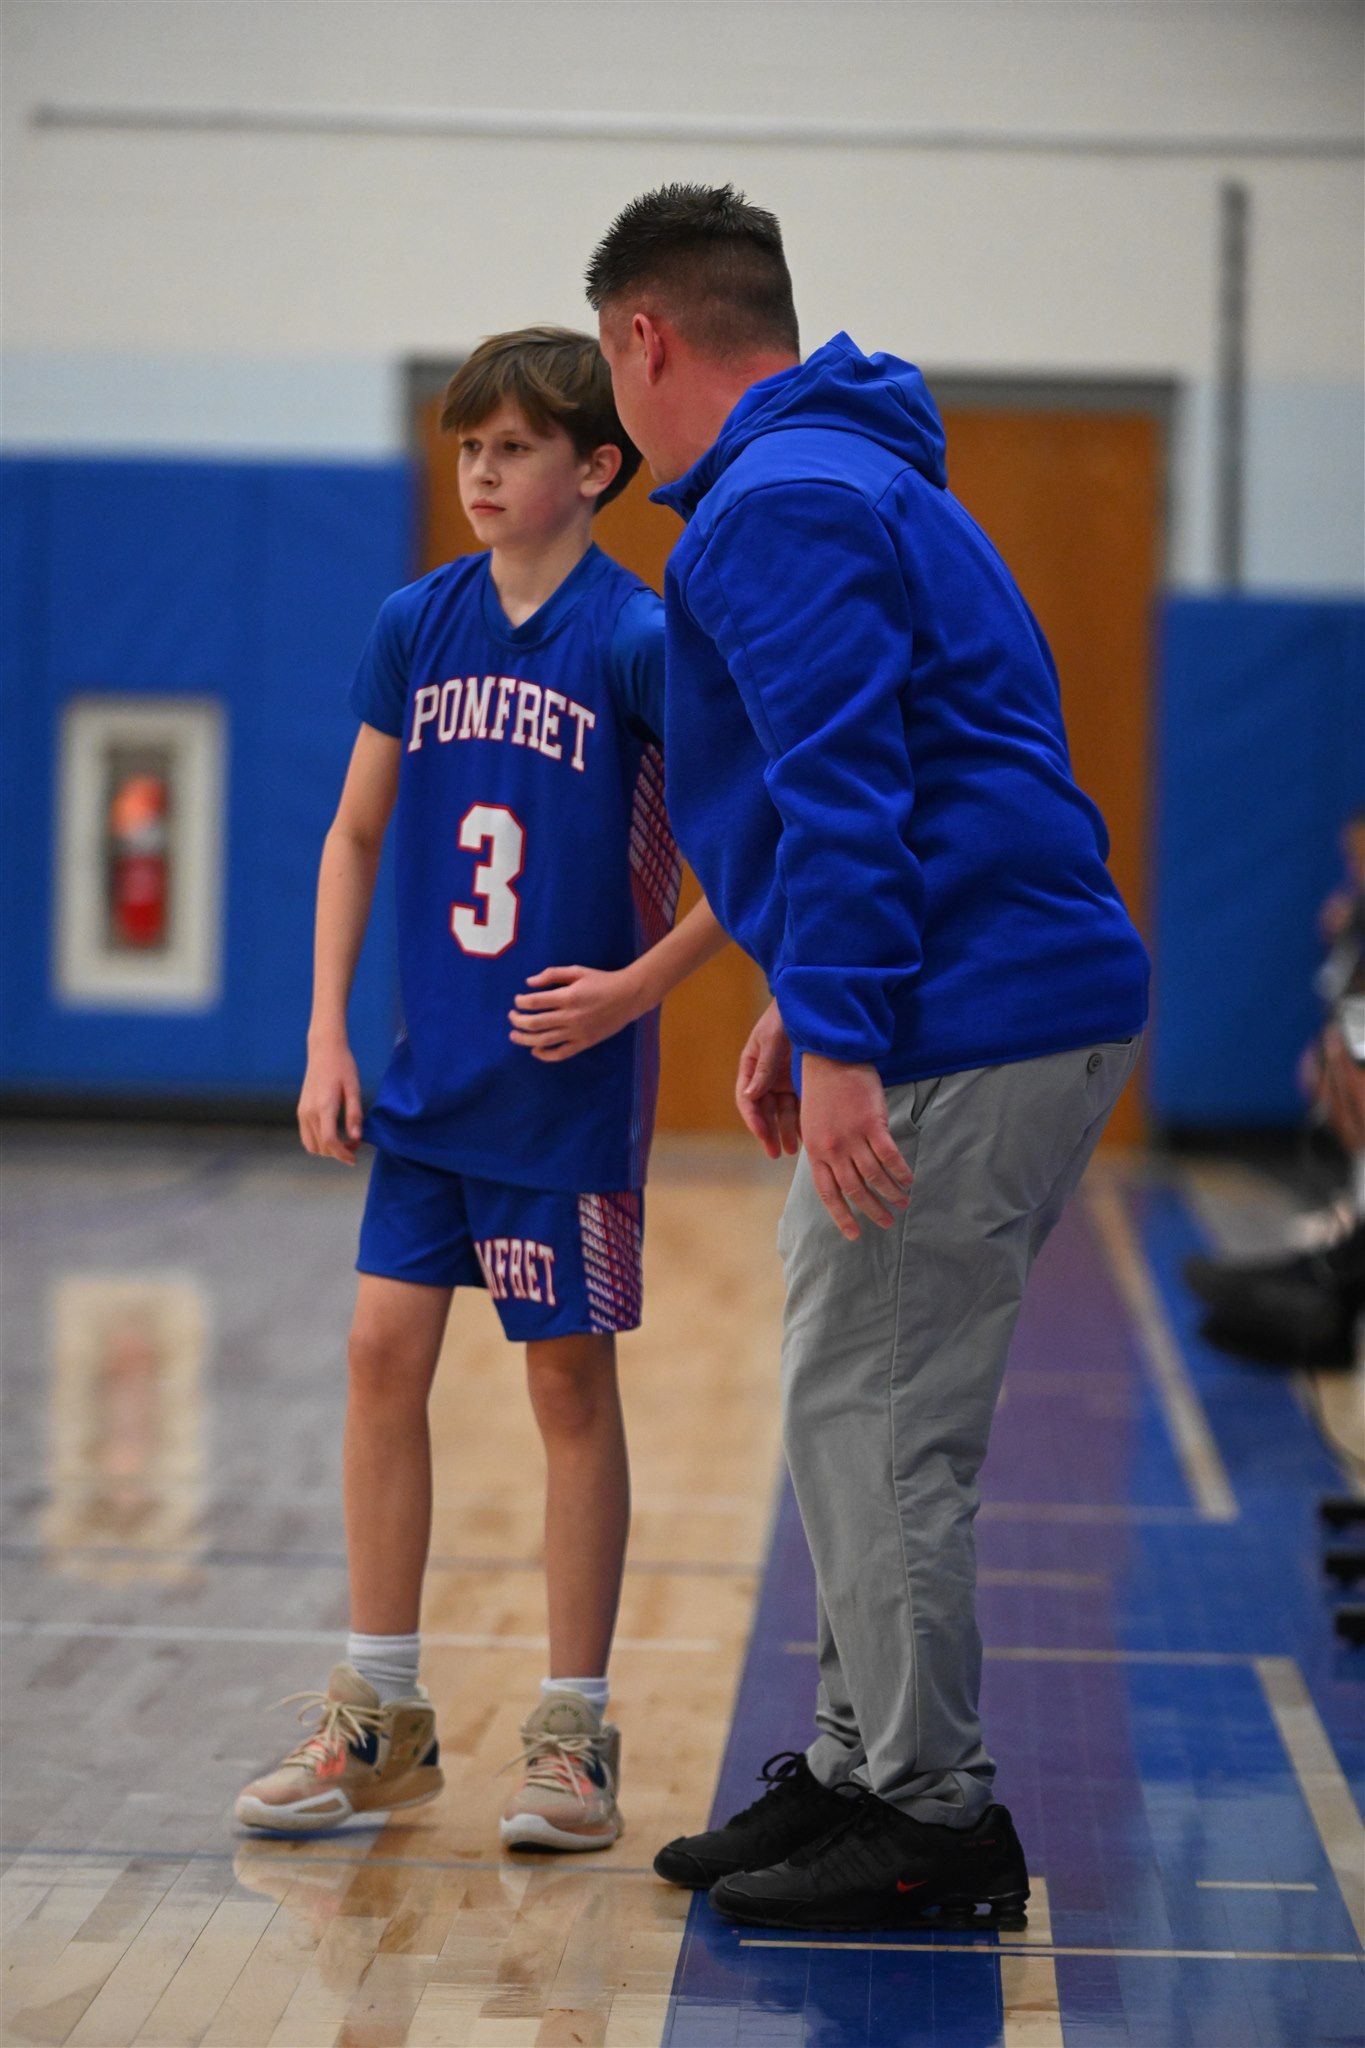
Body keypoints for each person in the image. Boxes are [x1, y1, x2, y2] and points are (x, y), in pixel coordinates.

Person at [587, 185, 1150, 1930]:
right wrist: (804, 1001)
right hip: (984, 993)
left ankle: (929, 1820)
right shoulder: (863, 472)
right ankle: (854, 1765)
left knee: (881, 1417)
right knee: (855, 1399)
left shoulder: (776, 506)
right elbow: (930, 761)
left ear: (642, 339)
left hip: (966, 1020)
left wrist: (842, 1028)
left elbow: (847, 786)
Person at [235, 326, 726, 1848]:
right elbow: (354, 834)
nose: (481, 472)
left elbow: (757, 848)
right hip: (426, 1085)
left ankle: (572, 1733)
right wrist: (325, 1033)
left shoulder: (638, 639)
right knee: (381, 1357)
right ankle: (380, 1719)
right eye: (467, 448)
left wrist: (640, 987)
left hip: (562, 1103)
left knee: (564, 1385)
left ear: (592, 469)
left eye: (512, 448)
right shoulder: (417, 621)